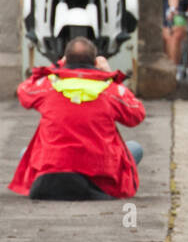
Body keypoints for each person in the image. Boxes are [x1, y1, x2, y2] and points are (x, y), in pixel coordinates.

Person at [9, 38, 145, 200]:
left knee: (26, 153)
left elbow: (24, 90)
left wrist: (57, 66)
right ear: (95, 62)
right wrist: (109, 74)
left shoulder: (49, 85)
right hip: (98, 176)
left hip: (52, 171)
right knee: (135, 148)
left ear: (65, 60)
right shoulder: (110, 89)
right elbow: (137, 113)